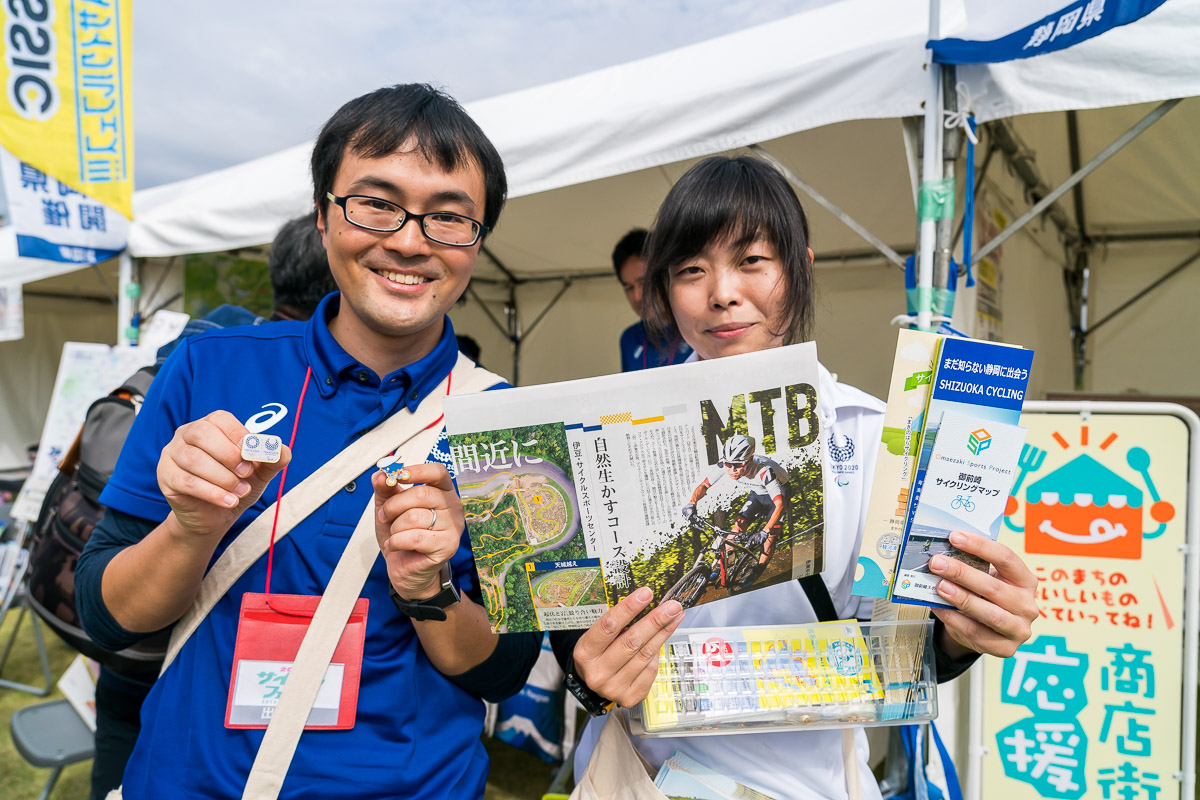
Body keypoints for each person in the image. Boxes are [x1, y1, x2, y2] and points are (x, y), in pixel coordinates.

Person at [76, 84, 540, 799]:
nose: (411, 241)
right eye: (377, 203)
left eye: (449, 217)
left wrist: (429, 588)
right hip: (194, 780)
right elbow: (107, 617)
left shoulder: (514, 422)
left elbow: (504, 670)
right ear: (325, 216)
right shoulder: (210, 367)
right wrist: (192, 530)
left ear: (476, 243)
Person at [552, 155, 1039, 799]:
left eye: (752, 261)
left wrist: (966, 632)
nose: (722, 292)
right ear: (664, 291)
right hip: (638, 777)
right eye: (691, 270)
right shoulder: (611, 434)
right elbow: (574, 630)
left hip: (807, 783)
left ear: (801, 269)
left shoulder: (873, 435)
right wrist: (589, 673)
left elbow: (908, 655)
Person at [86, 211, 340, 800]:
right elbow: (103, 588)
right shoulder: (214, 363)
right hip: (180, 659)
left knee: (118, 744)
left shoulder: (194, 343)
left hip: (138, 662)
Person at [683, 433, 789, 571]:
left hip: (778, 497)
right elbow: (704, 485)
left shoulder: (764, 471)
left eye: (738, 465)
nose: (732, 469)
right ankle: (726, 569)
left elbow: (779, 505)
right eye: (728, 464)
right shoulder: (727, 463)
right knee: (735, 532)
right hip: (757, 494)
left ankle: (758, 570)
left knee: (770, 538)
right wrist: (692, 503)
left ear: (749, 460)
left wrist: (765, 531)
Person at [613, 228, 692, 371]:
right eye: (629, 288)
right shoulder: (629, 339)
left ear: (666, 276)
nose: (637, 296)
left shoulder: (697, 329)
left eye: (644, 283)